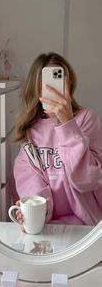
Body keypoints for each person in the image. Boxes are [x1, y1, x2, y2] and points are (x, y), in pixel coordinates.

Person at [13, 52, 102, 226]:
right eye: (47, 83)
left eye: (59, 79)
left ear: (69, 83)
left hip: (88, 229)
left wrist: (68, 124)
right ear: (36, 88)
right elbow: (32, 185)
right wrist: (35, 211)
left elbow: (87, 180)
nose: (54, 87)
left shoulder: (86, 119)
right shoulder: (30, 133)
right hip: (50, 231)